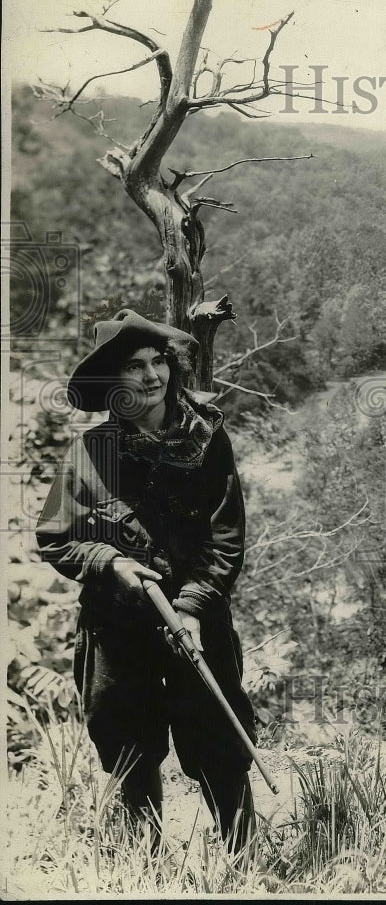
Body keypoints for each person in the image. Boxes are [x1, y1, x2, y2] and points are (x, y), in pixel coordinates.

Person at [36, 309, 257, 855]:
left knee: (219, 742)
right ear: (115, 381)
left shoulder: (208, 440)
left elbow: (225, 538)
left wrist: (192, 607)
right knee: (129, 745)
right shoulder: (91, 452)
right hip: (117, 625)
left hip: (195, 619)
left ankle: (245, 861)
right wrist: (109, 562)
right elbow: (55, 539)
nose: (152, 375)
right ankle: (146, 867)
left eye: (159, 360)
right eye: (135, 366)